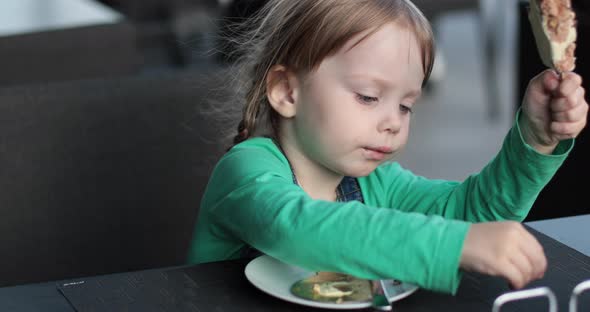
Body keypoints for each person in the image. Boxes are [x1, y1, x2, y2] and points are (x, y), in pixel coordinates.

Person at [187, 0, 588, 294]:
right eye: (367, 96)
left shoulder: (379, 182)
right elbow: (299, 227)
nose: (393, 121)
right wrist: (451, 244)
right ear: (287, 92)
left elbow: (472, 216)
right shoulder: (246, 171)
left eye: (407, 105)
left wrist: (534, 142)